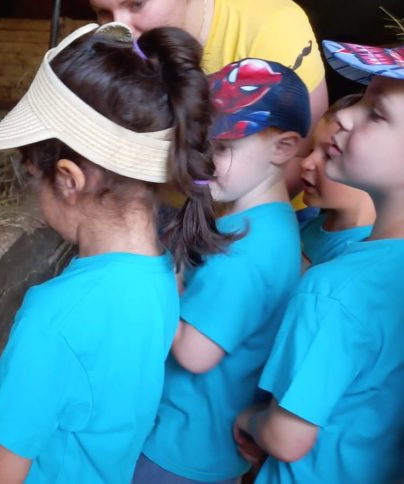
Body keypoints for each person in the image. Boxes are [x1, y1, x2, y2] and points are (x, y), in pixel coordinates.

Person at [0, 22, 233, 483]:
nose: (34, 190)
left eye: (34, 175)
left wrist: (1, 396)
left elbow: (1, 471)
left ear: (69, 181)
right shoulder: (162, 274)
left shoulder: (54, 314)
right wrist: (25, 379)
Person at [233, 40, 404, 483]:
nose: (344, 114)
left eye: (377, 113)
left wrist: (252, 419)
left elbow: (288, 436)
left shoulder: (335, 289)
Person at [134, 58, 308, 484]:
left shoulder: (246, 247)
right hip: (206, 437)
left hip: (180, 445)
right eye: (202, 142)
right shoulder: (270, 228)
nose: (204, 159)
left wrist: (165, 274)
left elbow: (195, 353)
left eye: (224, 147)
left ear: (282, 148)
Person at [88, 0, 328, 204]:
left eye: (137, 3)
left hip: (252, 213)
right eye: (103, 13)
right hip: (157, 202)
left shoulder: (275, 26)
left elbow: (304, 157)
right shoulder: (114, 40)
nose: (121, 29)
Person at [299, 93, 375, 270]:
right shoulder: (308, 227)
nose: (306, 163)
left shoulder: (361, 260)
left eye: (329, 155)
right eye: (311, 150)